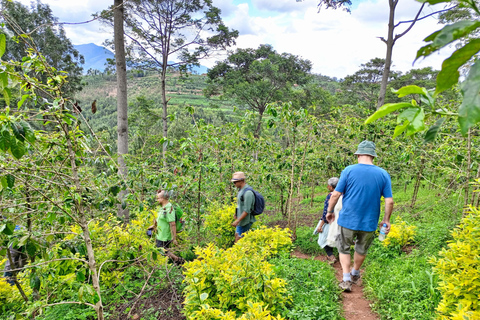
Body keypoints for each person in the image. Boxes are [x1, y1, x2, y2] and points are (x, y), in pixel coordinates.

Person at [326, 140, 394, 292]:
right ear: (373, 157)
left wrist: (329, 212)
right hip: (369, 221)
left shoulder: (349, 170)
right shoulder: (383, 174)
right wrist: (386, 220)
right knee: (361, 249)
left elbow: (336, 193)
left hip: (348, 219)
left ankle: (346, 279)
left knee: (344, 248)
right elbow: (389, 201)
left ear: (358, 154)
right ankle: (355, 273)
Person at [148, 190, 181, 263]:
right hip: (159, 234)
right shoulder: (162, 207)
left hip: (165, 235)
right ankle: (172, 261)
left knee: (162, 250)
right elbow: (159, 219)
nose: (157, 200)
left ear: (163, 198)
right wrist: (153, 226)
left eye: (158, 198)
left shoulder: (169, 208)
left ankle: (177, 260)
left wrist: (174, 238)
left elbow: (172, 223)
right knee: (162, 250)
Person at [315, 177, 339, 264]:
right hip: (341, 220)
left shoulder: (331, 196)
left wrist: (321, 225)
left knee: (324, 237)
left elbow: (326, 212)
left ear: (330, 187)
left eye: (328, 185)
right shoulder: (344, 194)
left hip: (331, 220)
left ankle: (330, 255)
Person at [231, 172, 256, 243]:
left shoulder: (248, 193)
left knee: (239, 242)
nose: (234, 184)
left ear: (241, 181)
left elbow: (247, 210)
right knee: (237, 237)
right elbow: (240, 205)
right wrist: (236, 214)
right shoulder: (241, 191)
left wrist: (237, 220)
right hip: (241, 221)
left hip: (245, 221)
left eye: (235, 182)